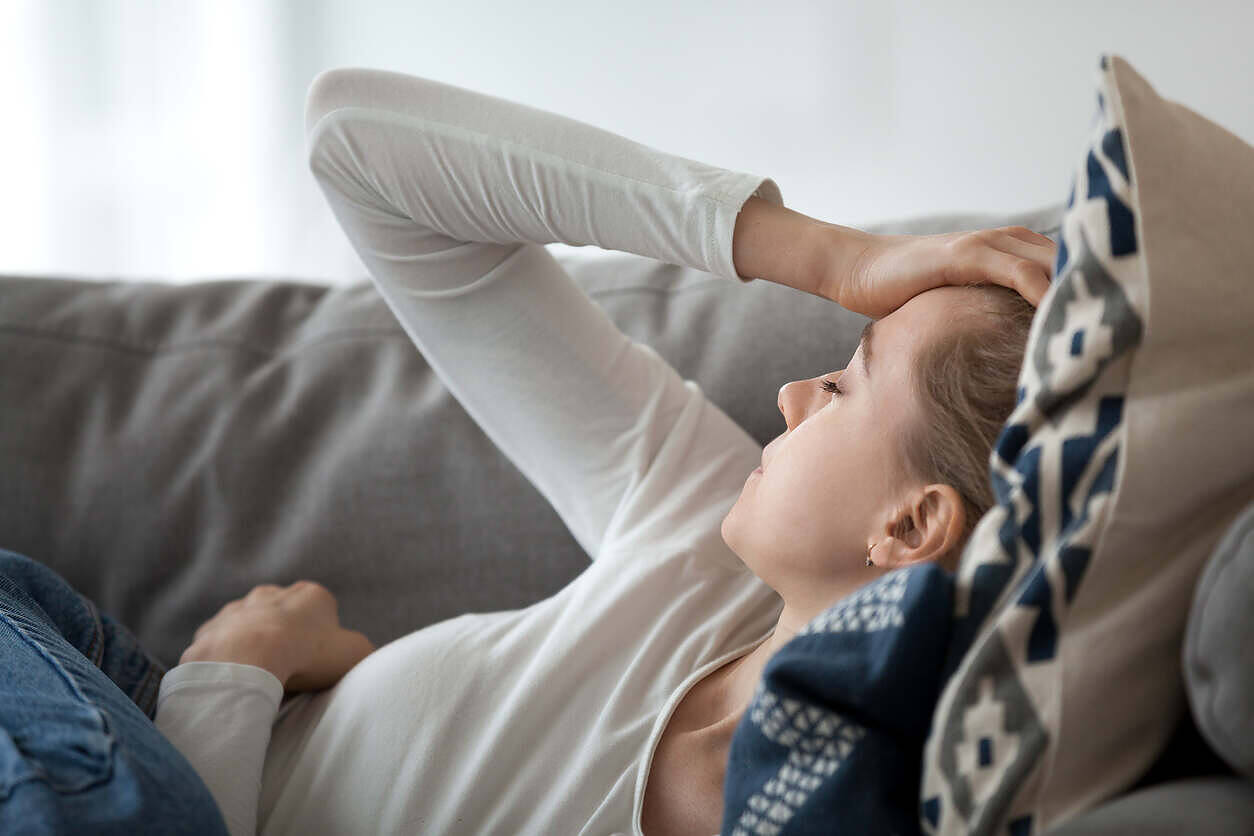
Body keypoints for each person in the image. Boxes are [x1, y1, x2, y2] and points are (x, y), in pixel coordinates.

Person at [1, 67, 1054, 835]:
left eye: (844, 383)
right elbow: (358, 144)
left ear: (909, 523)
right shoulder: (692, 527)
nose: (789, 390)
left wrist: (226, 686)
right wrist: (837, 255)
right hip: (68, 690)